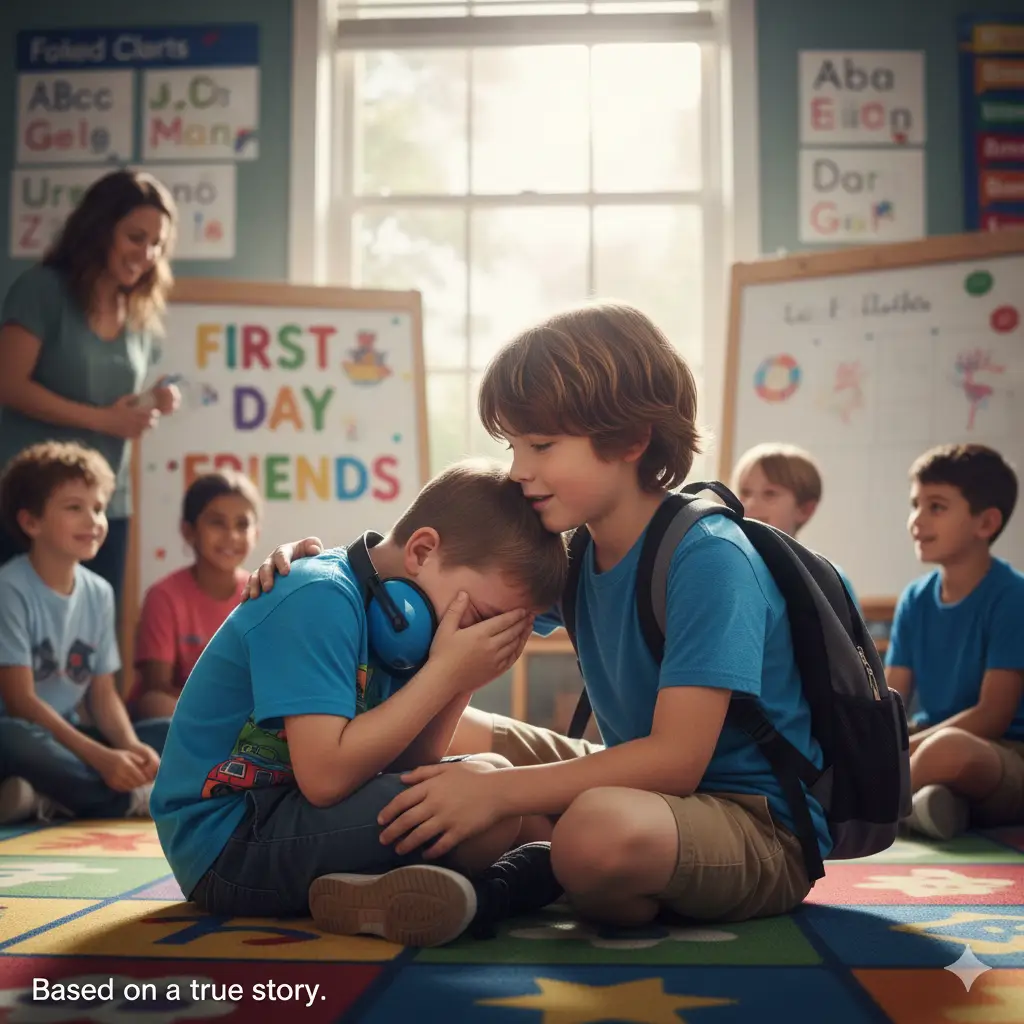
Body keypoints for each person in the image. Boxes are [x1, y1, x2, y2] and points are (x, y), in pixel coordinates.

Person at [249, 303, 831, 932]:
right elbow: (433, 561)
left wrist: (495, 794)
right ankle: (515, 861)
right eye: (513, 445)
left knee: (593, 831)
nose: (519, 469)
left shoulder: (709, 558)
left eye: (543, 445)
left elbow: (675, 761)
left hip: (753, 822)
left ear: (631, 440)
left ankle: (527, 868)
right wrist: (316, 565)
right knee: (461, 731)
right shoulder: (576, 555)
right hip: (646, 794)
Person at [151, 459, 568, 946]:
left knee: (500, 803)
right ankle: (489, 892)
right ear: (423, 549)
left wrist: (463, 679)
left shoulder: (404, 620)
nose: (477, 638)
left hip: (291, 818)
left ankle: (376, 894)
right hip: (227, 844)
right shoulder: (318, 596)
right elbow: (326, 779)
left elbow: (412, 765)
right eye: (481, 617)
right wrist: (445, 673)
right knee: (491, 801)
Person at [0, 170, 182, 611]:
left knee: (92, 637)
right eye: (135, 237)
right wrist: (103, 419)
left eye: (157, 244)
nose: (147, 254)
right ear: (99, 230)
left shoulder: (138, 314)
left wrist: (149, 401)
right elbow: (8, 384)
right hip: (36, 501)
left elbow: (110, 397)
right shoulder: (42, 291)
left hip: (105, 502)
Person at [0, 442, 168, 824]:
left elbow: (104, 695)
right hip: (24, 735)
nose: (93, 520)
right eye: (75, 508)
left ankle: (48, 799)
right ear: (31, 522)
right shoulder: (9, 588)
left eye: (98, 508)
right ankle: (131, 800)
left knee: (170, 733)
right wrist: (103, 759)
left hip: (71, 738)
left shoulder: (99, 592)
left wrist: (128, 747)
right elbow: (21, 703)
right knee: (13, 738)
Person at [885, 443, 1024, 841]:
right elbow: (891, 698)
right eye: (915, 505)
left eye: (937, 507)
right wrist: (884, 742)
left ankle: (862, 812)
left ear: (986, 523)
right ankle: (930, 806)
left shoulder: (1012, 597)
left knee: (949, 751)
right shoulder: (914, 598)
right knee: (909, 753)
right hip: (926, 743)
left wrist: (905, 749)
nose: (917, 520)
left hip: (1000, 752)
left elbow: (992, 716)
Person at [131, 470, 261, 720]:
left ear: (256, 533)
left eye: (242, 524)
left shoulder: (260, 593)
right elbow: (156, 686)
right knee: (155, 703)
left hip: (238, 716)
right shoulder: (164, 596)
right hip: (183, 715)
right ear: (188, 530)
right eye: (217, 523)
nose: (231, 536)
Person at [731, 442, 860, 609]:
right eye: (745, 492)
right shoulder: (728, 565)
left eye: (770, 493)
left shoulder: (827, 580)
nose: (750, 504)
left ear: (805, 509)